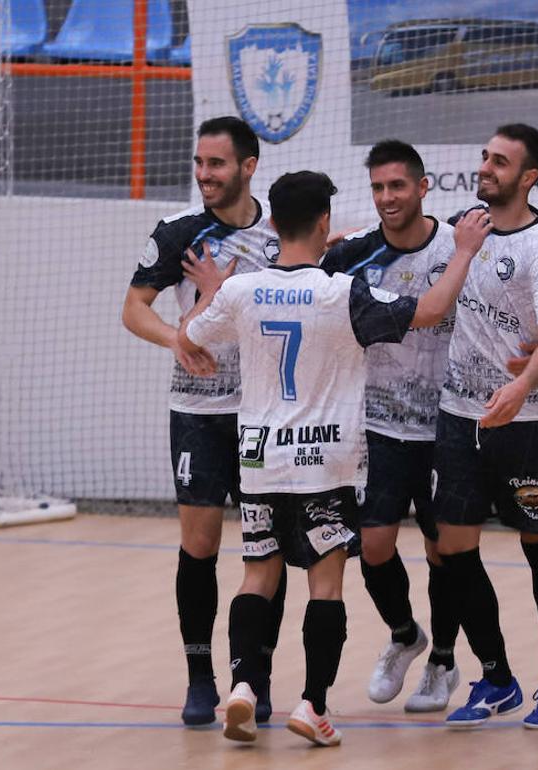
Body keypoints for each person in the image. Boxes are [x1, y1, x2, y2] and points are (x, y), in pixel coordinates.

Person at [179, 170, 490, 746]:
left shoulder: (241, 290)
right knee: (326, 586)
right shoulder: (344, 294)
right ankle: (312, 704)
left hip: (259, 460)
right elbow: (431, 309)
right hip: (325, 462)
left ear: (273, 223)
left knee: (257, 576)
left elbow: (190, 336)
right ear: (325, 222)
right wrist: (465, 251)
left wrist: (208, 290)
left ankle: (244, 686)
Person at [121, 116, 287, 726]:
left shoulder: (279, 235)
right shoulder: (178, 233)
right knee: (198, 545)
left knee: (265, 548)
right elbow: (134, 308)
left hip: (264, 417)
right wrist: (176, 337)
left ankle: (256, 678)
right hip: (196, 412)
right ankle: (200, 678)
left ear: (248, 166)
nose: (204, 175)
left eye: (216, 164)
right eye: (199, 163)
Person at [434, 123, 538, 729]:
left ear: (529, 177)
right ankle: (496, 676)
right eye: (485, 157)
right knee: (454, 548)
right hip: (458, 417)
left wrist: (521, 386)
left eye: (500, 162)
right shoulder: (469, 225)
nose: (486, 167)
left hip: (526, 424)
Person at [319, 140, 463, 713]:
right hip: (377, 427)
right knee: (374, 547)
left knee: (444, 550)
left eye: (397, 186)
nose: (386, 198)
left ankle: (445, 660)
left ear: (423, 187)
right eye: (378, 188)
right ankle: (407, 636)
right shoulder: (352, 253)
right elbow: (305, 280)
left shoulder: (460, 247)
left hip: (445, 426)